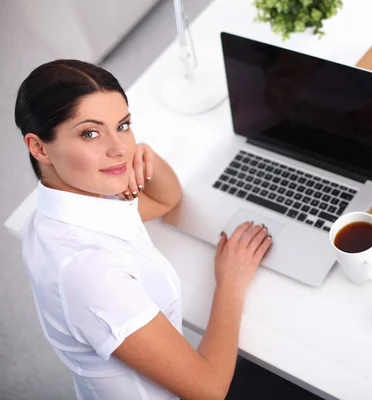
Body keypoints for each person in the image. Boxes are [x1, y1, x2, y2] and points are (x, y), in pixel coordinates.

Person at [15, 59, 272, 400]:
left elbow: (166, 200)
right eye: (90, 133)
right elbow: (209, 390)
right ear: (38, 147)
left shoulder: (57, 210)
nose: (119, 148)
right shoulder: (90, 274)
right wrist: (231, 282)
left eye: (123, 125)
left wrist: (143, 154)